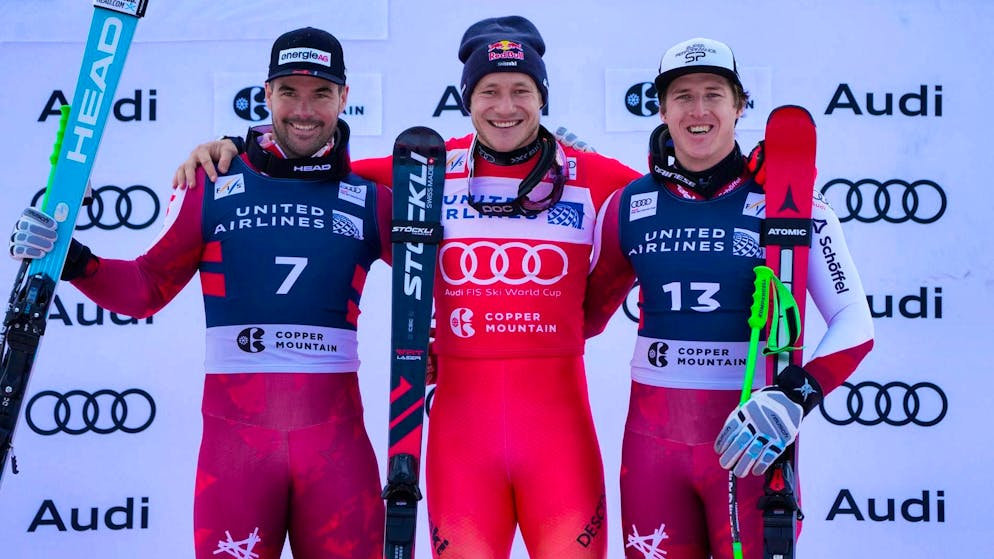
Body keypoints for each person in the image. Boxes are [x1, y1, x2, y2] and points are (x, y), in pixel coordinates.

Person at [173, 15, 642, 559]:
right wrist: (232, 145)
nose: (505, 106)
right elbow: (315, 164)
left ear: (543, 98)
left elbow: (670, 209)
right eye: (489, 91)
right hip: (463, 445)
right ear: (467, 98)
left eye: (522, 91)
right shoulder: (425, 170)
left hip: (560, 440)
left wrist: (586, 320)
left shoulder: (595, 177)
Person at [10, 27, 391, 559]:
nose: (304, 110)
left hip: (336, 452)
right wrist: (75, 263)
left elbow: (449, 271)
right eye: (289, 92)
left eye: (321, 93)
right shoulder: (210, 184)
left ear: (344, 98)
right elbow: (146, 288)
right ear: (266, 94)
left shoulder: (373, 199)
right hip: (236, 454)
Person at [583, 38, 875, 559]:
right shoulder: (628, 206)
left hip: (753, 444)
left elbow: (855, 321)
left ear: (739, 106)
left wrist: (794, 394)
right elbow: (578, 318)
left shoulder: (793, 202)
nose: (699, 111)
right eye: (682, 96)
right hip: (653, 453)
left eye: (714, 95)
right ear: (662, 109)